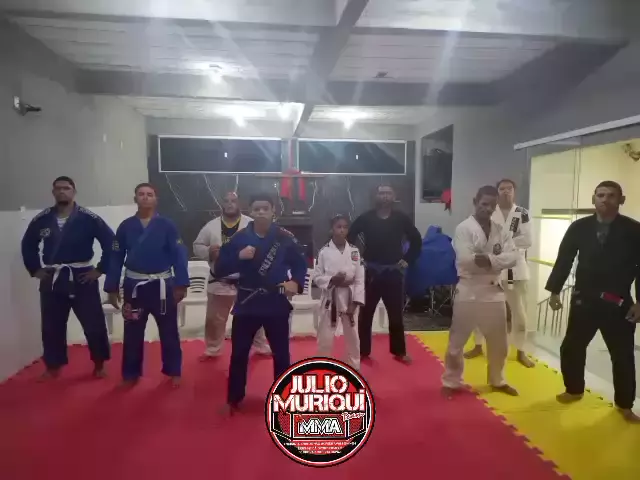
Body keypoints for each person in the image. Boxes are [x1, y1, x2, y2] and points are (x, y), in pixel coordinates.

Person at [546, 181, 640, 423]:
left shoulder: (634, 230)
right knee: (572, 347)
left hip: (619, 302)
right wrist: (555, 291)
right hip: (584, 298)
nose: (605, 199)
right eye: (600, 195)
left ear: (621, 200)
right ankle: (574, 389)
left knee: (623, 355)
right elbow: (564, 259)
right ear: (593, 198)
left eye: (611, 195)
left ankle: (624, 404)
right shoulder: (579, 227)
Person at [215, 193, 307, 414]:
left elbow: (300, 264)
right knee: (239, 354)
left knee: (281, 354)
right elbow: (220, 268)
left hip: (275, 302)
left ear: (273, 210)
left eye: (266, 208)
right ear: (251, 211)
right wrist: (239, 256)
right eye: (257, 209)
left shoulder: (284, 237)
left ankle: (283, 398)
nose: (261, 212)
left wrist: (295, 281)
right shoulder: (239, 238)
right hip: (247, 303)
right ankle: (234, 398)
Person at [21, 176, 114, 379]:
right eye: (58, 188)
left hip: (82, 277)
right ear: (53, 192)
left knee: (94, 324)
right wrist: (35, 269)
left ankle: (99, 363)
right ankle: (53, 365)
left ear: (74, 191)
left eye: (66, 188)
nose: (62, 191)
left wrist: (100, 269)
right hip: (53, 277)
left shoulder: (89, 218)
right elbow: (28, 245)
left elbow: (111, 243)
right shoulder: (42, 219)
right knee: (52, 325)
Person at [104, 183, 189, 387]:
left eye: (149, 194)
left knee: (169, 330)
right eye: (141, 194)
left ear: (156, 199)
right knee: (132, 331)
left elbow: (179, 254)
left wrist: (181, 283)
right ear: (135, 199)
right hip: (134, 287)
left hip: (162, 286)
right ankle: (130, 373)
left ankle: (174, 370)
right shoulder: (125, 226)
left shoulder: (168, 225)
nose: (145, 197)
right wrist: (112, 287)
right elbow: (115, 257)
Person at [442, 185, 519, 398]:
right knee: (457, 341)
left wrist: (490, 260)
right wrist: (496, 261)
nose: (488, 209)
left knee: (499, 342)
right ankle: (451, 381)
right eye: (484, 204)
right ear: (475, 202)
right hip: (468, 289)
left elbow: (513, 257)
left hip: (493, 290)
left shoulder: (500, 230)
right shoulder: (464, 228)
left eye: (492, 205)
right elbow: (466, 259)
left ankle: (497, 379)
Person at [347, 185, 421, 364]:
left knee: (396, 315)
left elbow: (416, 240)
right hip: (370, 272)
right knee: (366, 314)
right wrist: (357, 260)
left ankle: (399, 351)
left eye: (388, 193)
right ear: (376, 196)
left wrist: (407, 259)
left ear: (394, 196)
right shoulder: (366, 218)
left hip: (393, 272)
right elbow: (350, 238)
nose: (385, 196)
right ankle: (363, 351)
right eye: (381, 193)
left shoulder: (401, 218)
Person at [465, 179, 535, 368]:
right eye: (502, 188)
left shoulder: (522, 213)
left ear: (514, 191)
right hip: (490, 268)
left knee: (520, 313)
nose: (505, 191)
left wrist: (501, 243)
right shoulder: (488, 211)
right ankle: (478, 345)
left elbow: (527, 240)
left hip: (516, 270)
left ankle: (521, 350)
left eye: (509, 188)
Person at [193, 191, 271, 359]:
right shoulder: (211, 226)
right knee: (215, 319)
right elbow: (197, 245)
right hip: (220, 280)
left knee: (255, 316)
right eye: (226, 201)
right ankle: (212, 349)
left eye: (233, 201)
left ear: (239, 203)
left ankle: (261, 346)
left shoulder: (251, 224)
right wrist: (209, 251)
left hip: (247, 281)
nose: (230, 204)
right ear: (221, 204)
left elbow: (267, 244)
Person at [314, 215, 365, 370]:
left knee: (353, 336)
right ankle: (323, 365)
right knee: (325, 335)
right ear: (332, 229)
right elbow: (317, 277)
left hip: (350, 297)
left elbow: (359, 278)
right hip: (331, 298)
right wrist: (332, 279)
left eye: (345, 227)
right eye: (338, 227)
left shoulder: (354, 251)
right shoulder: (324, 252)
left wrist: (356, 302)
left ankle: (354, 366)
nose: (342, 230)